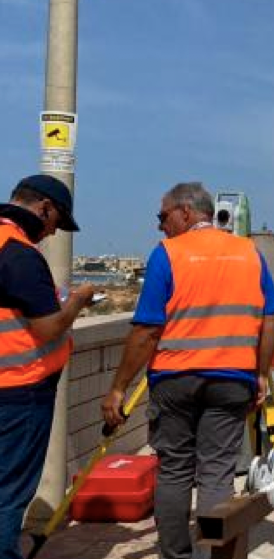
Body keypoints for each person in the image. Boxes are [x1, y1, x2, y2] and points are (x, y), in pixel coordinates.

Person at [101, 183, 274, 559]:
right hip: (233, 379)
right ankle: (214, 555)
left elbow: (148, 329)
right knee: (216, 475)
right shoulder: (248, 252)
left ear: (186, 212)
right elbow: (271, 317)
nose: (160, 226)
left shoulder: (168, 254)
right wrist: (261, 374)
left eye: (162, 216)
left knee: (174, 471)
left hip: (175, 379)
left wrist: (119, 387)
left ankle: (177, 556)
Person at [0, 175, 95, 559]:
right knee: (8, 492)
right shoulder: (19, 253)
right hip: (19, 394)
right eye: (56, 223)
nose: (52, 233)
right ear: (44, 209)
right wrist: (77, 301)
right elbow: (48, 326)